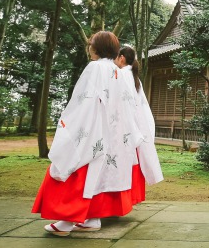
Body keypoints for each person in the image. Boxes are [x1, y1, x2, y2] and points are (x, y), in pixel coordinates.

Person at [32, 31, 145, 236]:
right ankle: (92, 219)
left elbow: (84, 100)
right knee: (100, 175)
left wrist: (70, 123)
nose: (89, 48)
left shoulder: (95, 67)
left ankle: (67, 221)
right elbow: (126, 107)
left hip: (93, 130)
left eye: (90, 44)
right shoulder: (118, 71)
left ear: (96, 48)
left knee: (79, 169)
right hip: (113, 134)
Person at [115, 45, 163, 205]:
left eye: (116, 57)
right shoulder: (134, 78)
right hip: (135, 127)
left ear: (121, 58)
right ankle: (130, 199)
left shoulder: (121, 74)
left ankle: (120, 202)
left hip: (125, 127)